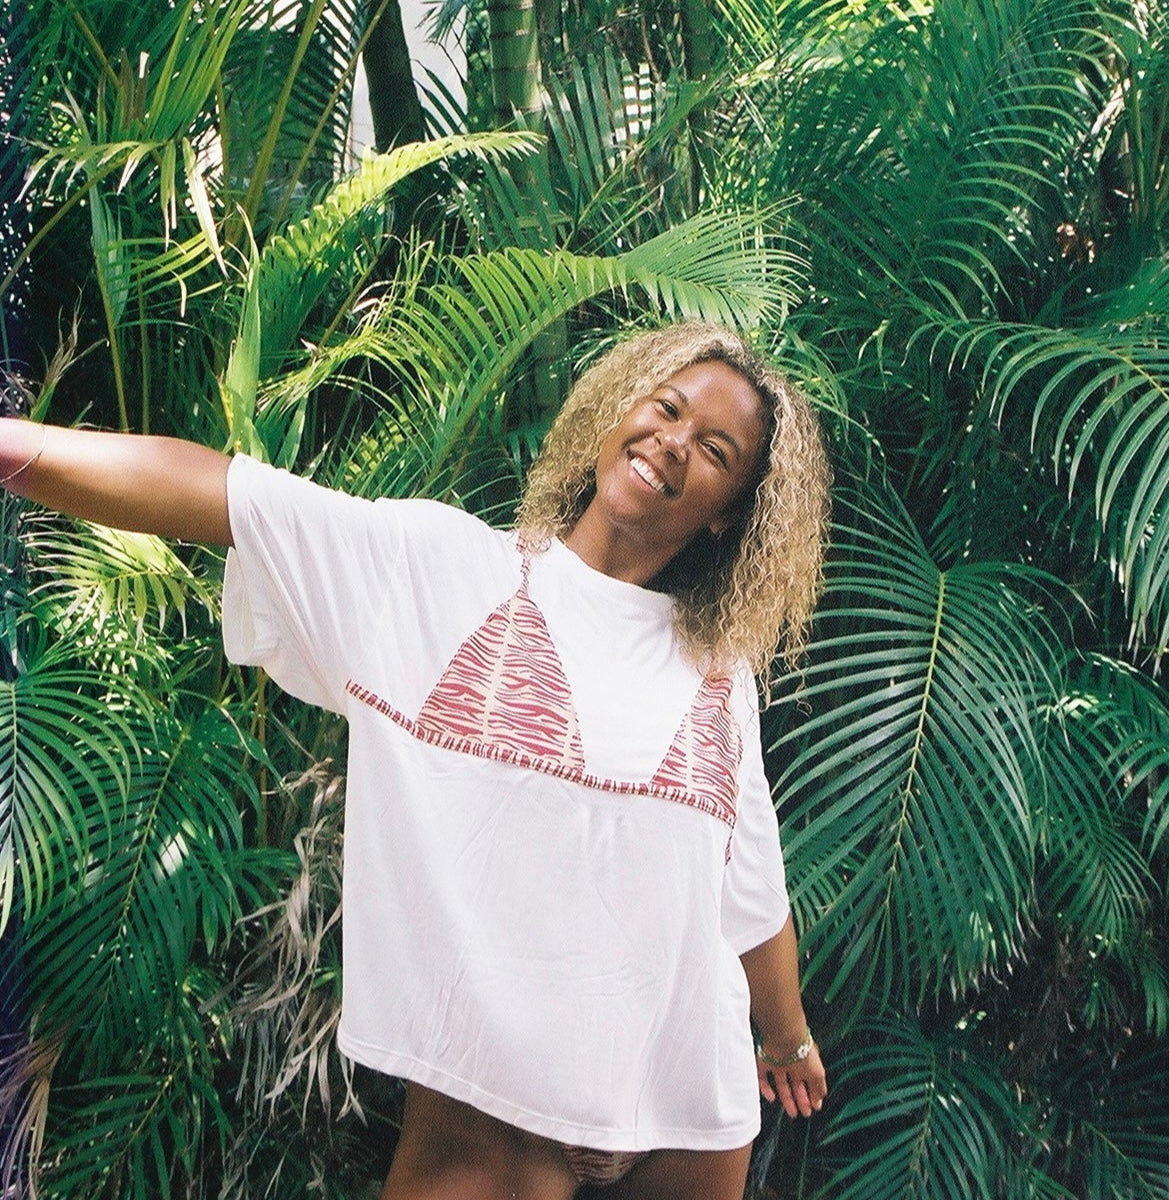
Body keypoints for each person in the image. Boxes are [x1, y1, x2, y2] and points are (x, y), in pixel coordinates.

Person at [0, 321, 830, 1200]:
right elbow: (229, 494)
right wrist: (18, 449)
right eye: (665, 407)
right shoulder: (442, 571)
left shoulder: (719, 673)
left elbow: (748, 896)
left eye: (714, 449)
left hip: (691, 1120)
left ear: (729, 512)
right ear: (620, 411)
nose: (673, 441)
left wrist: (787, 1039)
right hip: (493, 1113)